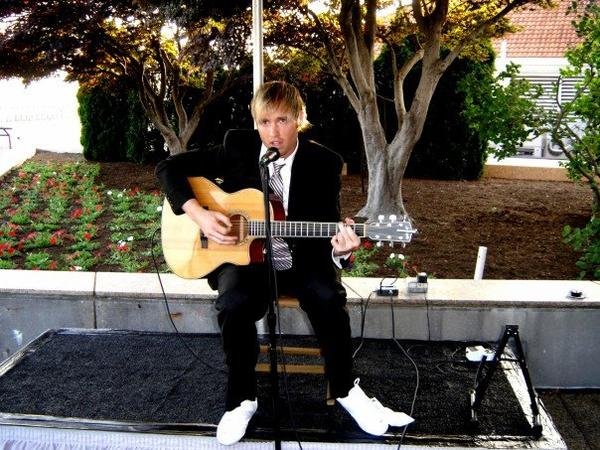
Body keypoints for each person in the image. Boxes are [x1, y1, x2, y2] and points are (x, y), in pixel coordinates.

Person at [156, 81, 391, 445]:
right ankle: (241, 399)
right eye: (264, 122)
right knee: (233, 302)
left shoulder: (324, 163)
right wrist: (200, 214)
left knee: (328, 297)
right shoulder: (238, 146)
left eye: (282, 120)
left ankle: (346, 389)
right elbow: (167, 168)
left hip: (301, 261)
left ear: (299, 119)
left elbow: (329, 228)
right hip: (246, 261)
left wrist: (343, 250)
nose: (273, 132)